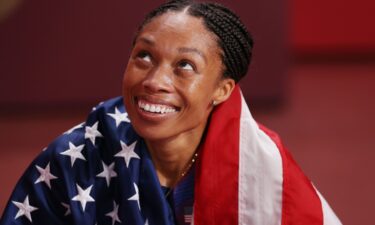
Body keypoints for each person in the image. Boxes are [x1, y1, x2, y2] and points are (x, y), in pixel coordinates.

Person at [0, 0, 342, 224]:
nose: (154, 81)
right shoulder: (72, 161)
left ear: (222, 89)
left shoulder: (261, 169)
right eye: (144, 56)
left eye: (185, 65)